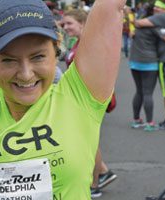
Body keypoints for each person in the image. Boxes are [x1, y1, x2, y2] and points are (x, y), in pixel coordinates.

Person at [0, 0, 125, 199]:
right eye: (8, 60)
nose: (25, 74)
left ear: (56, 50)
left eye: (38, 57)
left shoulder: (79, 98)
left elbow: (110, 7)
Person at [63, 9, 117, 198]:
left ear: (82, 23)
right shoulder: (80, 42)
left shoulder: (89, 45)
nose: (65, 27)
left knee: (88, 141)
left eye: (69, 23)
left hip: (86, 101)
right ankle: (103, 172)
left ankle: (95, 183)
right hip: (78, 100)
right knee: (88, 140)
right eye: (64, 24)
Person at [135, 0, 165, 130]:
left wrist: (142, 24)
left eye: (159, 7)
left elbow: (138, 22)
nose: (156, 9)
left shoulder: (160, 18)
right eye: (155, 6)